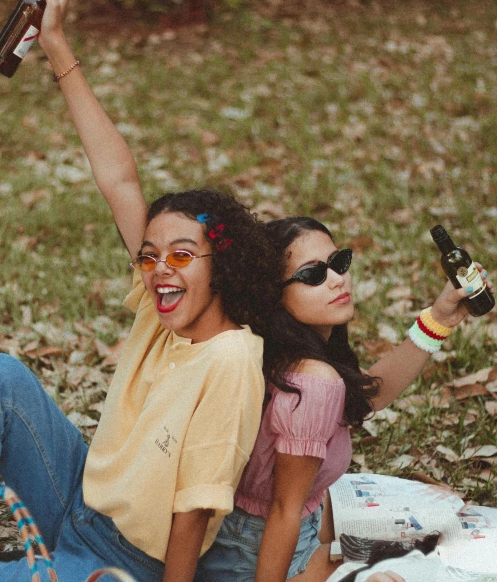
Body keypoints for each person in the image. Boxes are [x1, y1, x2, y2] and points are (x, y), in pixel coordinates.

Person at [0, 0, 281, 582]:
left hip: (127, 564)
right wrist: (55, 44)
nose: (160, 270)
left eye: (181, 255)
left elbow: (193, 510)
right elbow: (117, 177)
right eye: (149, 255)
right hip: (79, 500)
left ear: (222, 263)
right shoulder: (160, 303)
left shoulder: (229, 361)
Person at [195, 216, 493, 582]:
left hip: (263, 536)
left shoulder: (285, 353)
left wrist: (439, 319)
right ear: (273, 294)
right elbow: (284, 510)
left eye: (338, 263)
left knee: (423, 532)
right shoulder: (311, 380)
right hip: (256, 559)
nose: (336, 279)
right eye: (311, 275)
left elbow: (367, 395)